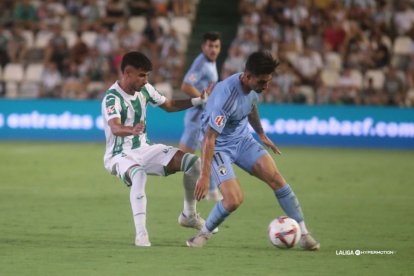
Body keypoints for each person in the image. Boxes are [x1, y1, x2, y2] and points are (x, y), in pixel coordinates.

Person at [186, 51, 320, 250]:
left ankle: (304, 234)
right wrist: (205, 176)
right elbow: (209, 138)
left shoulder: (254, 87)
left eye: (268, 82)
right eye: (262, 82)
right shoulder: (227, 97)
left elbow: (251, 105)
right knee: (233, 200)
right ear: (247, 76)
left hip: (242, 139)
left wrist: (261, 133)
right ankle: (202, 235)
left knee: (277, 179)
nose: (265, 86)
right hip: (219, 146)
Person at [101, 51, 210, 247]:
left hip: (144, 148)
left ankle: (189, 215)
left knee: (193, 163)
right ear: (127, 73)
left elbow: (169, 105)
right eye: (141, 75)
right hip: (118, 154)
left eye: (147, 75)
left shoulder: (145, 89)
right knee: (139, 174)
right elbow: (115, 128)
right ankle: (141, 236)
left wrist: (198, 101)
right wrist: (131, 130)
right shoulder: (112, 98)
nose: (146, 80)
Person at [179, 31, 222, 201]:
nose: (213, 49)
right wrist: (205, 101)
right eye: (210, 46)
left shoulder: (210, 63)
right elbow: (185, 85)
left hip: (202, 116)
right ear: (203, 46)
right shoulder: (201, 63)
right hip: (196, 117)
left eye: (216, 46)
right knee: (183, 157)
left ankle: (211, 191)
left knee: (208, 151)